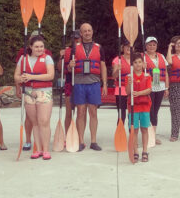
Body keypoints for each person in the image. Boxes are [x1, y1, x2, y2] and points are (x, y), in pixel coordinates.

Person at [68, 23, 107, 151]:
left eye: (89, 30)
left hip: (94, 83)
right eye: (84, 31)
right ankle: (80, 141)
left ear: (92, 32)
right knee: (80, 112)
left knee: (93, 112)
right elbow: (68, 68)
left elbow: (103, 66)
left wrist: (105, 84)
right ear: (81, 33)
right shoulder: (74, 48)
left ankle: (94, 141)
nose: (87, 33)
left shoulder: (99, 47)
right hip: (79, 83)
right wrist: (70, 65)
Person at [14, 35, 55, 159]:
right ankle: (38, 149)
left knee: (44, 121)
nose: (39, 49)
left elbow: (50, 75)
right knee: (35, 122)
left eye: (41, 47)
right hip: (28, 93)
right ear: (30, 47)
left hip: (44, 92)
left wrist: (32, 77)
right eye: (36, 47)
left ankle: (46, 150)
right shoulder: (23, 59)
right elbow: (16, 76)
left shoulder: (47, 58)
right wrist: (20, 79)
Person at [126, 53, 152, 162]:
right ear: (132, 64)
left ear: (143, 64)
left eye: (139, 62)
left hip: (145, 107)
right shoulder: (129, 76)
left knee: (144, 129)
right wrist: (129, 84)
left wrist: (139, 93)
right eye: (135, 62)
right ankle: (135, 151)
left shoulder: (147, 76)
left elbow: (149, 89)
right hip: (133, 108)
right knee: (134, 130)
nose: (138, 65)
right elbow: (127, 92)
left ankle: (145, 151)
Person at [143, 36, 169, 145]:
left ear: (156, 46)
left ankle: (153, 135)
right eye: (149, 45)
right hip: (149, 87)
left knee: (156, 111)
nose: (152, 47)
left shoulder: (161, 56)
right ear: (146, 46)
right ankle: (149, 136)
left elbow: (166, 73)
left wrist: (167, 88)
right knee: (150, 111)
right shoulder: (142, 57)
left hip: (160, 86)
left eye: (154, 45)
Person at [56, 31, 82, 133]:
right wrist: (61, 57)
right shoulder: (67, 51)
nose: (76, 40)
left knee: (80, 113)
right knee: (69, 112)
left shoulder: (85, 51)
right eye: (74, 39)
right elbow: (59, 69)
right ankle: (67, 135)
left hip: (81, 83)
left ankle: (78, 137)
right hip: (69, 83)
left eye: (78, 38)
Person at [111, 37, 131, 125]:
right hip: (121, 89)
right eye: (126, 46)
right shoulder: (117, 60)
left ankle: (132, 134)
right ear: (123, 48)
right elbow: (114, 76)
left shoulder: (136, 59)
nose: (128, 48)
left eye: (130, 46)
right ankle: (120, 134)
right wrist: (117, 70)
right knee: (121, 115)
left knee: (132, 114)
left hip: (133, 89)